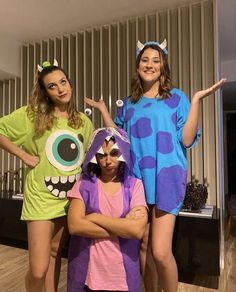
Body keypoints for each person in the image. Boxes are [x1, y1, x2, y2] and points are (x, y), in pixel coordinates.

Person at [84, 40, 226, 292]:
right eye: (145, 60)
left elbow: (187, 139)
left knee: (160, 252)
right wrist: (105, 111)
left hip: (166, 179)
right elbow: (119, 138)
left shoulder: (176, 98)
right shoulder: (129, 104)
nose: (149, 65)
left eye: (156, 60)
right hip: (136, 180)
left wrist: (195, 102)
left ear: (163, 66)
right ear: (138, 65)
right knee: (142, 246)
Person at [0, 60, 93, 292]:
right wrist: (24, 156)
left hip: (69, 197)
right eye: (52, 86)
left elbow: (88, 157)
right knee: (38, 268)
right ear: (45, 92)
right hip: (41, 196)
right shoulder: (31, 116)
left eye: (63, 82)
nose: (61, 89)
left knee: (55, 253)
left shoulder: (83, 121)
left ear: (70, 83)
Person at [67, 127, 148, 292]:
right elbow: (75, 226)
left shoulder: (134, 186)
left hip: (123, 279)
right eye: (102, 155)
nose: (108, 161)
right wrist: (123, 226)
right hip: (89, 278)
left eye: (114, 153)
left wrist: (95, 217)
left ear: (123, 153)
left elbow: (138, 230)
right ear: (95, 156)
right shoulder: (84, 184)